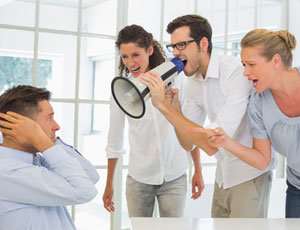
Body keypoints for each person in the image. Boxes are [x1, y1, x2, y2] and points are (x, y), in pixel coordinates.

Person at [139, 15, 276, 218]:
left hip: (249, 177)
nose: (176, 53)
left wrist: (163, 108)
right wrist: (174, 109)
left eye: (182, 45)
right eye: (173, 47)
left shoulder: (236, 74)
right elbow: (188, 143)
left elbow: (212, 143)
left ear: (203, 43)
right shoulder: (194, 80)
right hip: (223, 176)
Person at [102, 24, 204, 218]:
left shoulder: (176, 79)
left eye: (135, 55)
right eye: (125, 56)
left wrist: (198, 170)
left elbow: (189, 126)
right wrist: (109, 184)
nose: (130, 62)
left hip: (175, 177)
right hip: (139, 180)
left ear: (149, 50)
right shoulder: (122, 90)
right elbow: (114, 140)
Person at [201, 29, 300, 218]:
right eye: (243, 65)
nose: (245, 73)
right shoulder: (258, 102)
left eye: (251, 64)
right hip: (297, 186)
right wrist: (225, 142)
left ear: (276, 61)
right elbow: (262, 159)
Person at [0, 85, 99, 230]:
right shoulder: (8, 172)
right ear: (23, 126)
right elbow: (85, 191)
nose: (57, 126)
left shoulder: (35, 160)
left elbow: (90, 177)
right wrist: (43, 141)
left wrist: (50, 143)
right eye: (49, 118)